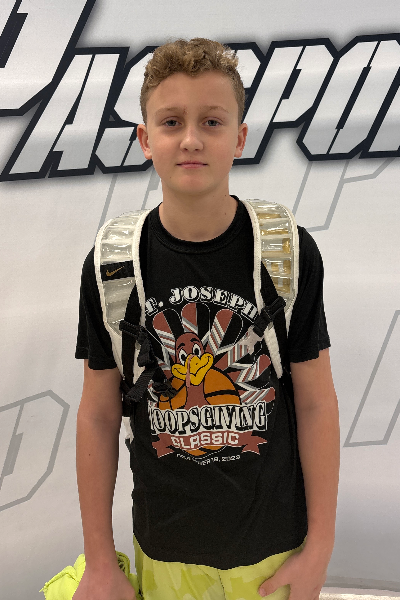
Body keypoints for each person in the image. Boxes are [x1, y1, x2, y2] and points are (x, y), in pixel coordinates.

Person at [74, 38, 340, 600]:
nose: (191, 139)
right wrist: (98, 561)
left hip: (274, 552)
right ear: (145, 139)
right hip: (164, 552)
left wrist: (320, 547)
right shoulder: (111, 264)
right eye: (171, 121)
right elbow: (97, 413)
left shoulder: (287, 252)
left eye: (212, 122)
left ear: (240, 138)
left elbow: (316, 403)